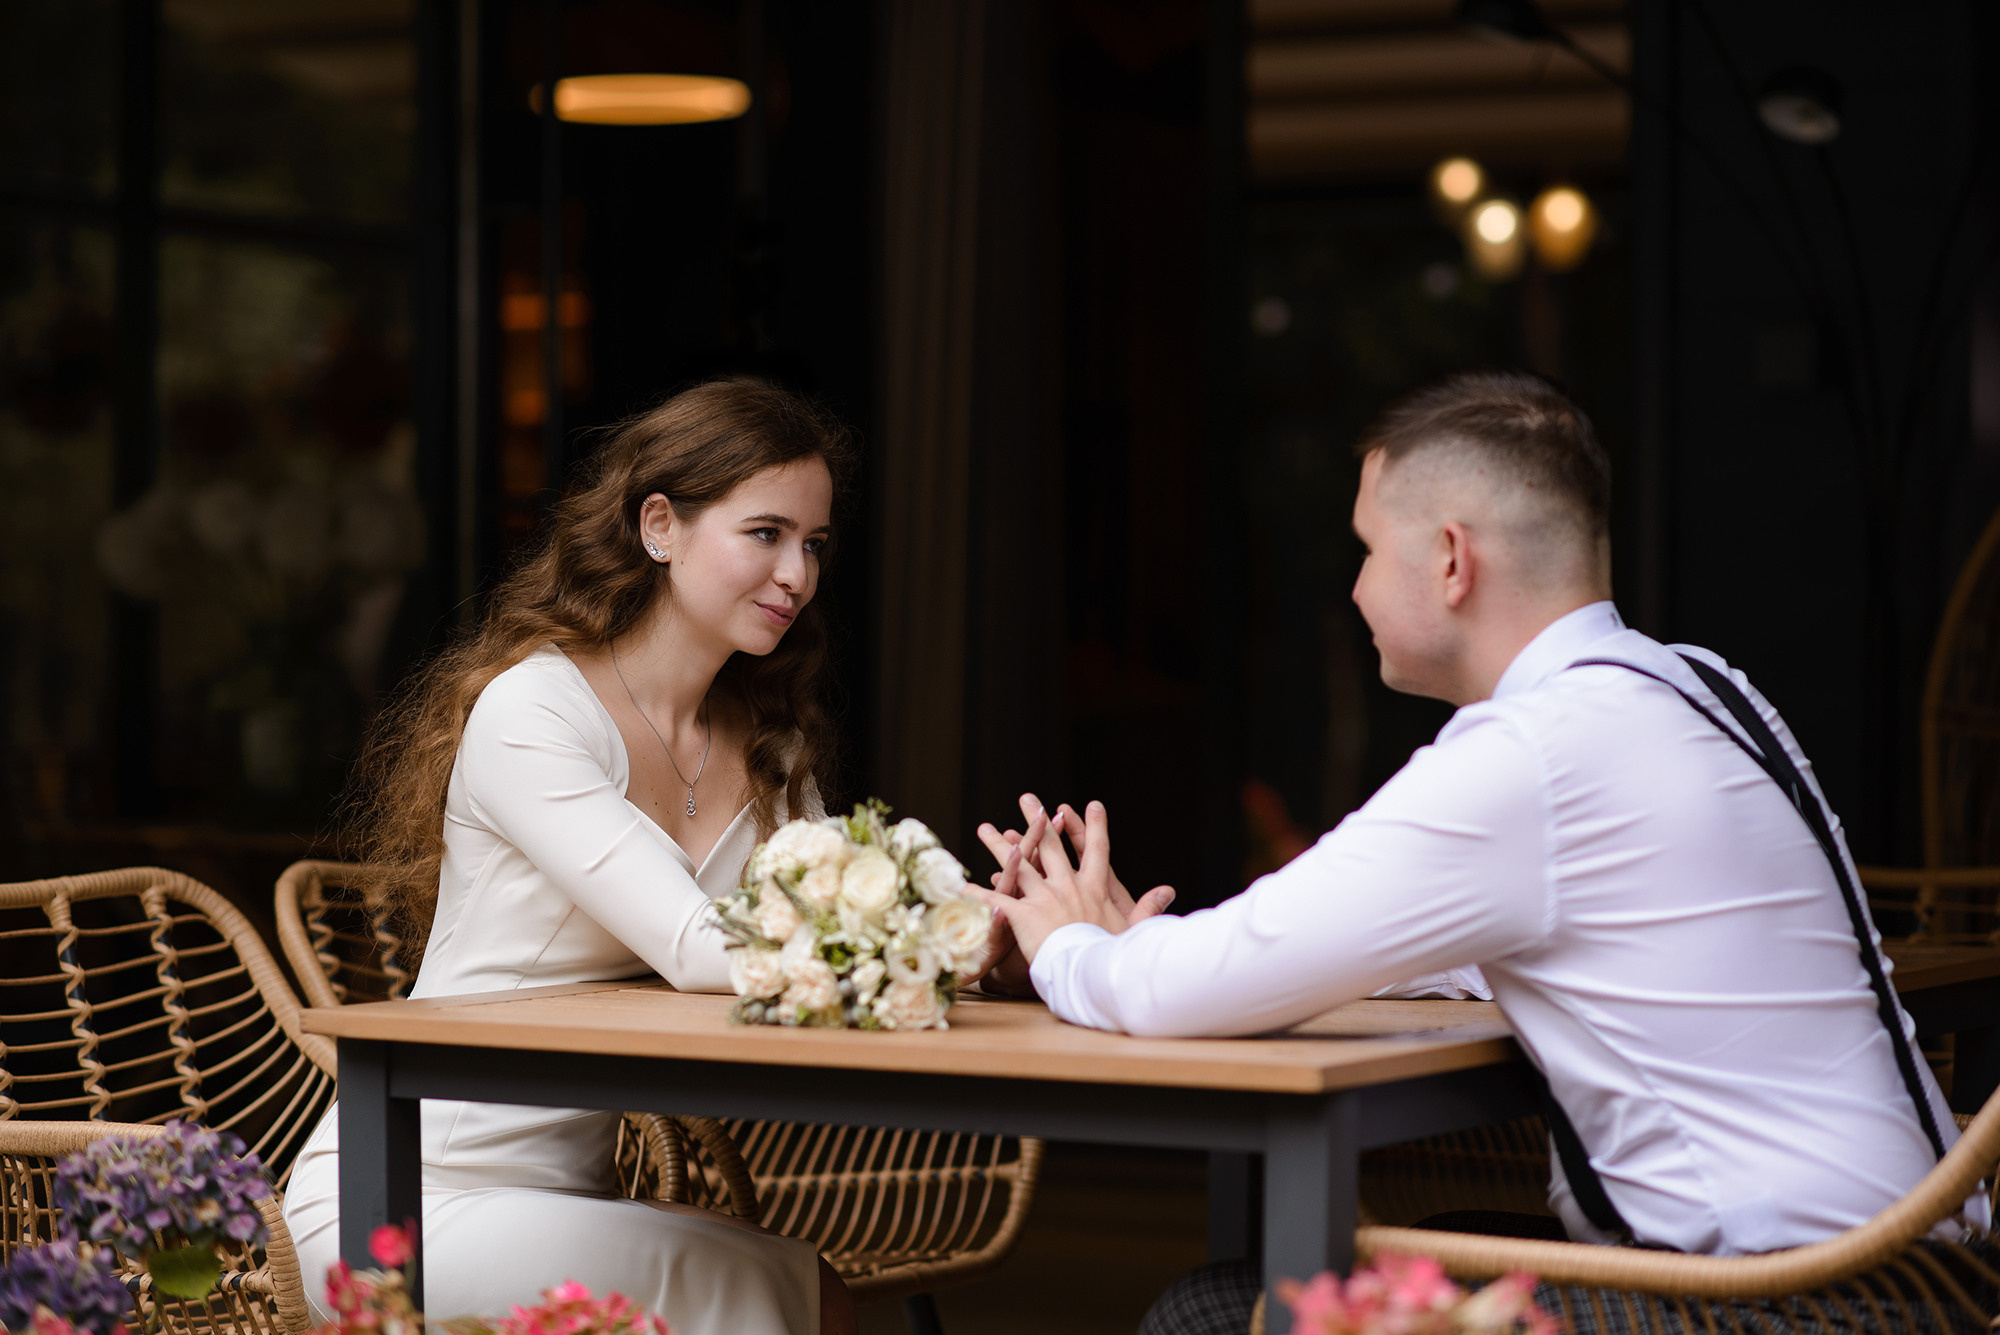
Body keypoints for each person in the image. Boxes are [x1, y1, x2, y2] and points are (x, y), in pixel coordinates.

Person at [971, 371, 1987, 1332]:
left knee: (1210, 1314)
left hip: (1786, 1306)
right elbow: (1388, 943)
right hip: (1932, 1270)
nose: (1357, 587)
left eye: (1367, 548)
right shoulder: (1697, 687)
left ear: (1450, 560)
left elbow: (1182, 996)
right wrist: (1146, 954)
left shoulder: (1530, 755)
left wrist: (1068, 947)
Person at [284, 378, 862, 1335]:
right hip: (401, 1200)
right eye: (765, 534)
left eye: (814, 544)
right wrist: (910, 951)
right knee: (797, 1291)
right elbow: (698, 945)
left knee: (790, 1277)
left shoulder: (769, 744)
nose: (796, 573)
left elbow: (837, 922)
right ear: (661, 526)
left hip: (564, 1195)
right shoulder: (535, 712)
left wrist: (1002, 933)